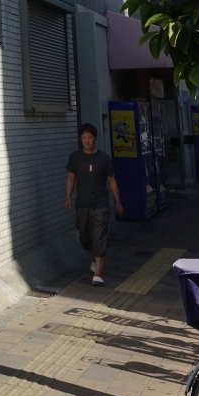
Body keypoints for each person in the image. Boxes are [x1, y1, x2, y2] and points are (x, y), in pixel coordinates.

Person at [65, 122, 123, 285]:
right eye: (83, 137)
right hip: (82, 204)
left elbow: (111, 181)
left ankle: (98, 273)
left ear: (95, 138)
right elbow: (71, 178)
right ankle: (95, 257)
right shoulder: (75, 157)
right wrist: (68, 196)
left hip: (100, 204)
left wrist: (118, 202)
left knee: (99, 237)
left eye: (89, 137)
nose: (86, 140)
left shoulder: (103, 159)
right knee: (85, 238)